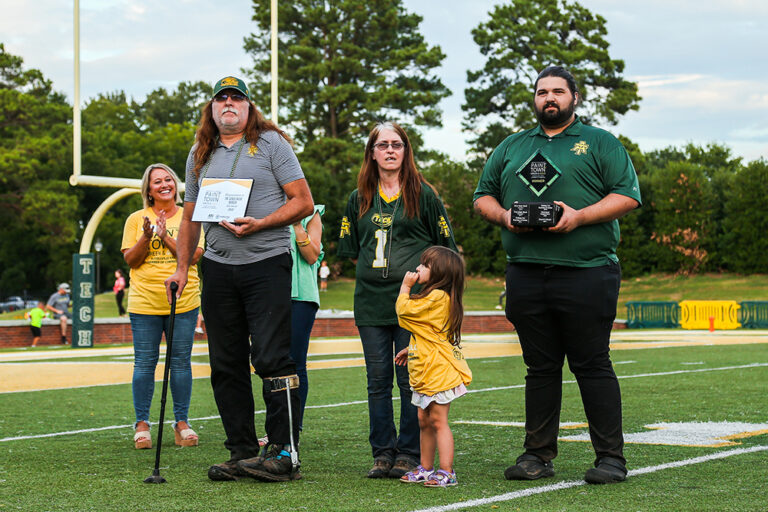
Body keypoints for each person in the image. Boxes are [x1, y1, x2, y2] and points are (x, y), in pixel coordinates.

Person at [473, 65, 642, 485]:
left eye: (558, 92)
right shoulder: (512, 146)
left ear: (574, 97)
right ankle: (537, 454)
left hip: (587, 272)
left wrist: (579, 217)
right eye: (542, 92)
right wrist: (506, 216)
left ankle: (610, 458)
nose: (550, 98)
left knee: (592, 363)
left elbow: (627, 195)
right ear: (534, 99)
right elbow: (482, 196)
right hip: (526, 274)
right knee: (540, 367)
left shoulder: (600, 142)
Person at [165, 75, 314, 483]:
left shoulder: (271, 143)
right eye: (221, 98)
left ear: (248, 107)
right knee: (225, 362)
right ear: (212, 109)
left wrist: (262, 222)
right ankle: (242, 452)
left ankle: (284, 452)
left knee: (270, 358)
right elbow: (190, 217)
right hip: (217, 266)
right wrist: (182, 267)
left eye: (237, 98)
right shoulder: (200, 152)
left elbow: (304, 201)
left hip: (266, 262)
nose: (229, 103)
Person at [337, 121, 458, 479]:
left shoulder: (424, 194)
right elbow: (353, 251)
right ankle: (382, 453)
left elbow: (446, 250)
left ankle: (408, 453)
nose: (390, 150)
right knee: (377, 381)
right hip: (372, 303)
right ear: (371, 152)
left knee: (411, 381)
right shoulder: (358, 196)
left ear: (406, 150)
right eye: (382, 145)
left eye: (397, 144)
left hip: (416, 308)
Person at [122, 163, 204, 450]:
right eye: (157, 181)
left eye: (168, 179)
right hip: (144, 301)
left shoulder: (190, 216)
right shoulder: (135, 219)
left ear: (176, 184)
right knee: (144, 363)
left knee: (180, 363)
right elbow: (131, 260)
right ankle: (142, 424)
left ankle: (181, 422)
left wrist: (165, 235)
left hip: (183, 300)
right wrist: (146, 236)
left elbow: (193, 256)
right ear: (148, 189)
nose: (164, 184)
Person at [394, 246, 472, 487]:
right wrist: (412, 349)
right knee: (423, 420)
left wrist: (405, 287)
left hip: (438, 370)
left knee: (438, 420)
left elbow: (404, 311)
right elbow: (430, 331)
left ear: (439, 273)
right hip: (426, 366)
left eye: (424, 265)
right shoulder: (436, 297)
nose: (418, 268)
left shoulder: (438, 296)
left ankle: (446, 470)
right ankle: (426, 468)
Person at [289, 205, 324, 433]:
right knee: (269, 363)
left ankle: (293, 428)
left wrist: (296, 223)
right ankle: (277, 425)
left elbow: (311, 256)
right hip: (267, 294)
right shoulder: (263, 207)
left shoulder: (312, 212)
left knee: (295, 362)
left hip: (300, 295)